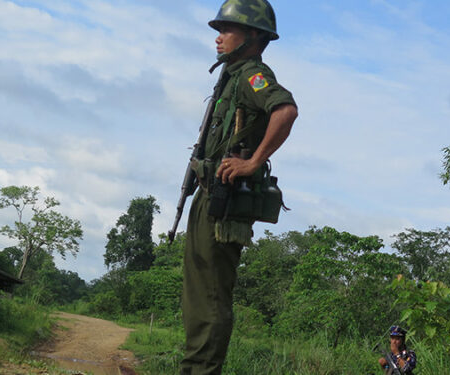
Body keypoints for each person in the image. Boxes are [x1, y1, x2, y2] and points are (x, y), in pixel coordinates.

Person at [180, 0, 298, 374]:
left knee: (211, 294)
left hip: (225, 201)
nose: (218, 37)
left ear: (253, 36)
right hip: (210, 191)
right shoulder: (232, 75)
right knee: (197, 294)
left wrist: (253, 161)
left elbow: (286, 110)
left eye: (226, 30)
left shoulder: (253, 75)